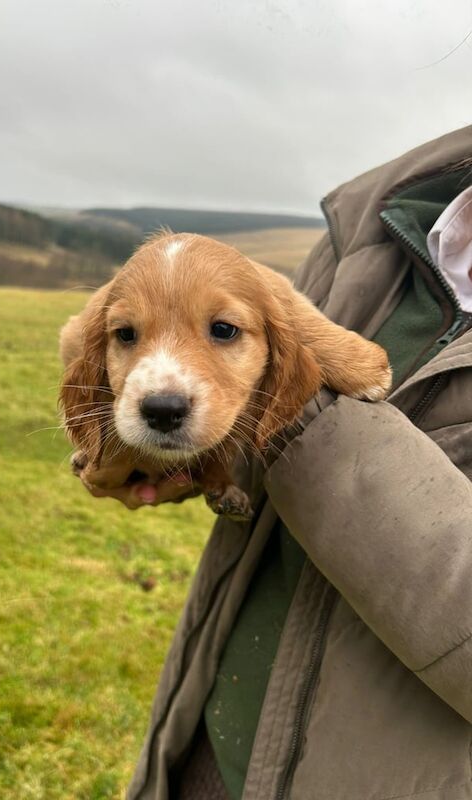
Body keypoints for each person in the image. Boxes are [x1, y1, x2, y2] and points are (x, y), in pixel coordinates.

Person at [94, 125, 472, 799]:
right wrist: (187, 459)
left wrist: (306, 416)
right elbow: (245, 398)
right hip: (210, 738)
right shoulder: (385, 214)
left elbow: (284, 395)